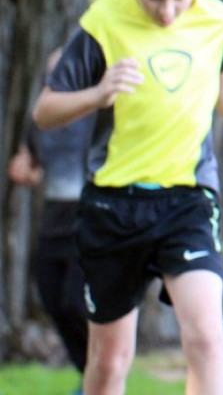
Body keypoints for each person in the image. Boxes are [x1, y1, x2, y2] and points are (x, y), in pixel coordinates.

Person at [33, 0, 223, 395]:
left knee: (208, 340)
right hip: (113, 205)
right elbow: (45, 110)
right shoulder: (102, 22)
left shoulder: (216, 20)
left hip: (187, 199)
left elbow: (221, 77)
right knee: (108, 362)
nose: (167, 12)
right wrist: (98, 93)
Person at [7, 49, 94, 393]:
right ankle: (91, 373)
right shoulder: (41, 118)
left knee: (75, 300)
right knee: (52, 299)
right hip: (52, 219)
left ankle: (100, 373)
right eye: (52, 76)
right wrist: (24, 170)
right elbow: (29, 165)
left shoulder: (97, 115)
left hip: (88, 219)